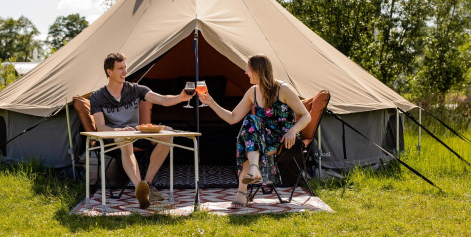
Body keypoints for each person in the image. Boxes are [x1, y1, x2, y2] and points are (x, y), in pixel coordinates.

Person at [198, 54, 311, 208]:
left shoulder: (283, 90)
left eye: (248, 69)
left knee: (249, 126)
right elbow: (232, 117)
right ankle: (253, 170)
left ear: (258, 71)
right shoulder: (253, 91)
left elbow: (306, 116)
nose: (245, 72)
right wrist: (210, 102)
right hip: (260, 138)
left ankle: (244, 189)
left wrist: (293, 130)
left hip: (282, 138)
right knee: (249, 128)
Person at [90, 53, 193, 209]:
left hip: (136, 133)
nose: (125, 72)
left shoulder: (136, 89)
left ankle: (146, 184)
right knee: (126, 140)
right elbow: (100, 127)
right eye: (120, 69)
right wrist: (119, 130)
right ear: (109, 72)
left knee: (168, 134)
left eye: (125, 68)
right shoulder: (97, 97)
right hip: (114, 137)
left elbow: (162, 99)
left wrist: (180, 97)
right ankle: (139, 188)